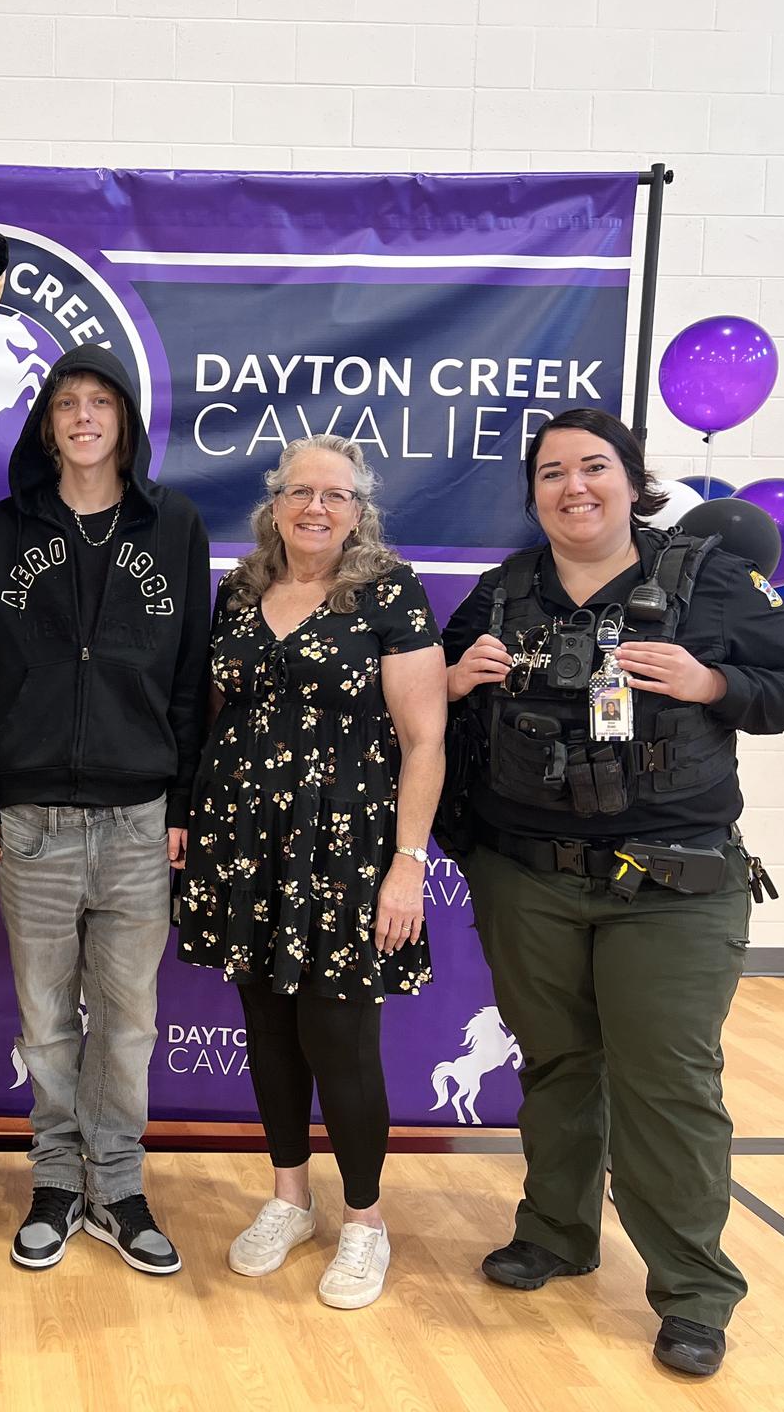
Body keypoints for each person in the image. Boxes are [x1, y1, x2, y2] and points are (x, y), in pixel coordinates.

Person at [442, 407, 784, 1378]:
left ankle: (694, 1292)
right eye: (552, 473)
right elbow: (432, 715)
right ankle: (555, 1231)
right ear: (533, 494)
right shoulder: (501, 593)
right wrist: (454, 682)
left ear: (632, 479)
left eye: (593, 467)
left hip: (672, 882)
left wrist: (711, 684)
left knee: (667, 1084)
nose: (573, 487)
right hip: (528, 878)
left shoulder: (708, 580)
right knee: (557, 1065)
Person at [177, 434, 446, 1310]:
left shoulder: (389, 593)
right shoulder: (239, 590)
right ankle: (291, 1198)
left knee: (341, 1040)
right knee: (268, 1031)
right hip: (244, 842)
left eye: (336, 494)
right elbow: (216, 712)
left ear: (359, 510)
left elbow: (424, 740)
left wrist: (408, 865)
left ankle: (365, 1220)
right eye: (300, 491)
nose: (316, 508)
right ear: (275, 503)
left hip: (346, 850)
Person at [0, 346, 211, 1276]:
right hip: (31, 819)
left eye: (100, 402)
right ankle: (56, 1183)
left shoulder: (174, 525)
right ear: (46, 424)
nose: (82, 417)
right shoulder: (4, 530)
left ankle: (118, 1186)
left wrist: (182, 799)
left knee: (129, 1020)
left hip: (139, 818)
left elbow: (189, 674)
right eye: (66, 403)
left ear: (125, 422)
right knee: (45, 1021)